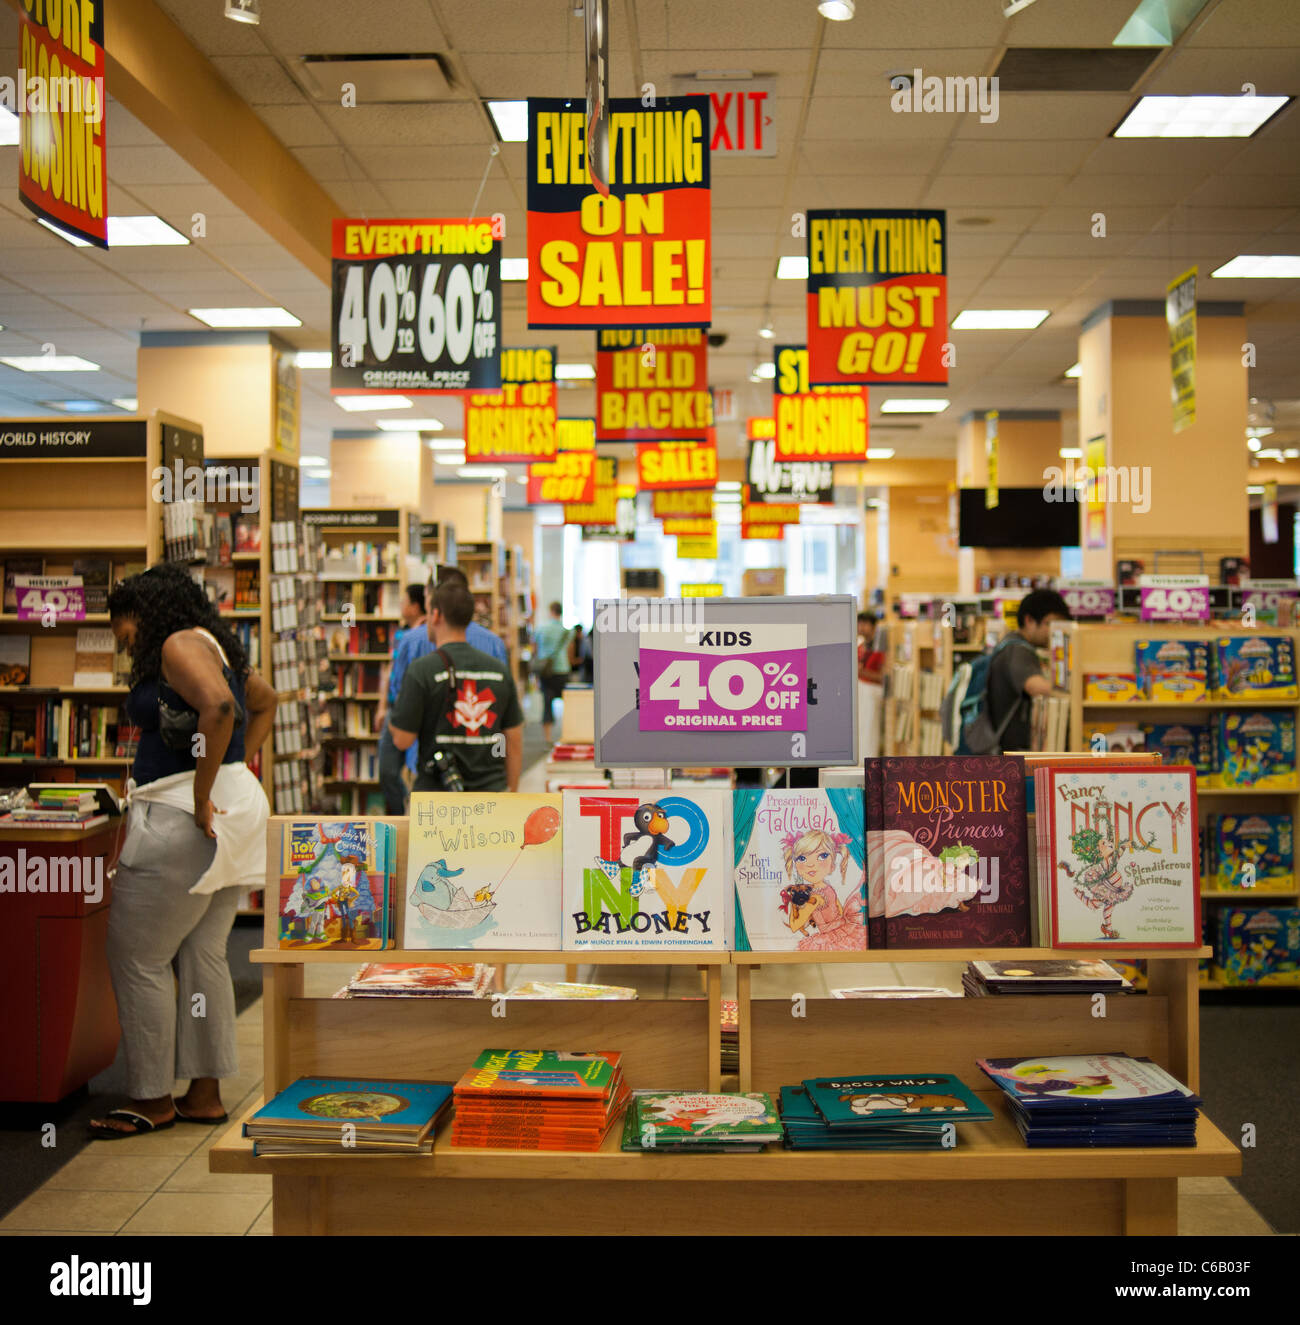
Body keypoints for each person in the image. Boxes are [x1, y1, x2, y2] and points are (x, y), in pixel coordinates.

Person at [91, 564, 277, 1138]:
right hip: (230, 814)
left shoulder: (174, 644)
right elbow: (264, 700)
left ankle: (151, 1098)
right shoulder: (211, 643)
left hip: (182, 818)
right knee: (203, 953)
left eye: (122, 629)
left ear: (143, 611)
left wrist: (202, 793)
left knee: (137, 954)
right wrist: (232, 771)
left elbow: (220, 710)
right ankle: (204, 1093)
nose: (123, 643)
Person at [377, 570, 507, 813]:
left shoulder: (411, 641)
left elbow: (398, 696)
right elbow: (505, 707)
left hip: (430, 768)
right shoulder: (494, 644)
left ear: (434, 603)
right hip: (487, 769)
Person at [985, 588, 1072, 753]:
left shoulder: (1009, 644)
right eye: (1051, 624)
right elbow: (1035, 686)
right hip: (1010, 752)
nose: (1055, 632)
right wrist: (1076, 690)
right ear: (1029, 620)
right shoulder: (1018, 650)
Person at [376, 584, 428, 815]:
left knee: (418, 768)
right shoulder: (400, 634)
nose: (401, 607)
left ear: (416, 606)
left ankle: (415, 816)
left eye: (404, 602)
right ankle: (401, 813)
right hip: (395, 709)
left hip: (419, 712)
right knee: (387, 770)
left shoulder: (429, 635)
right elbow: (390, 670)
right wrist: (381, 706)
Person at [532, 600, 572, 744]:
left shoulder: (541, 629)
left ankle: (548, 737)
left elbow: (535, 650)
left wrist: (535, 674)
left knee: (547, 703)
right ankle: (567, 734)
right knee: (567, 703)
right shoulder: (566, 631)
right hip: (562, 669)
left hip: (545, 671)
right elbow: (569, 650)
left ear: (551, 611)